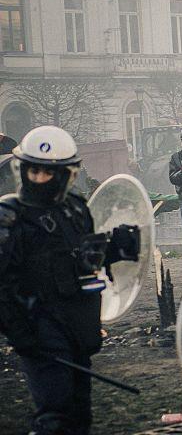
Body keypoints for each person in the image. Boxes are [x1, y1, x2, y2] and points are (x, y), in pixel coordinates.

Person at [0, 126, 140, 435]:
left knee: (79, 415)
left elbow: (81, 258)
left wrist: (114, 247)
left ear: (66, 174)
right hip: (41, 328)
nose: (38, 178)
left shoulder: (75, 210)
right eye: (32, 170)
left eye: (46, 172)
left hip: (78, 324)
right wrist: (22, 334)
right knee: (54, 417)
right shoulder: (10, 215)